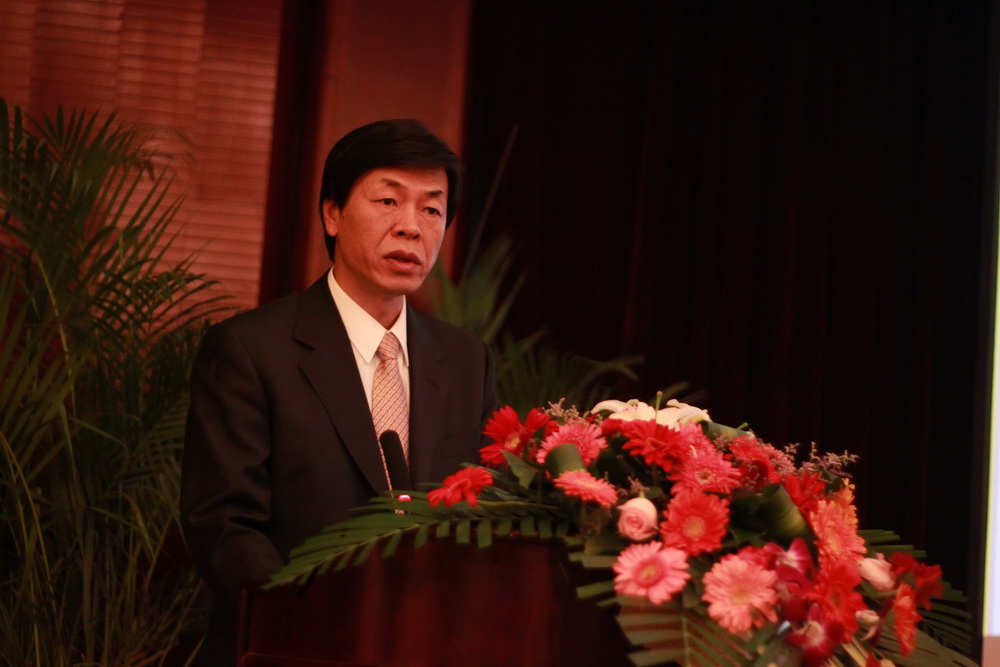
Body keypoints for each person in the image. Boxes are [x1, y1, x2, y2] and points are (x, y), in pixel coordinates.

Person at [180, 119, 497, 665]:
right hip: (286, 650)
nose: (411, 228)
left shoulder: (468, 362)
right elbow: (224, 526)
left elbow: (487, 518)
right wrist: (321, 624)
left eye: (431, 209)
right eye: (388, 201)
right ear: (332, 213)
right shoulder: (251, 350)